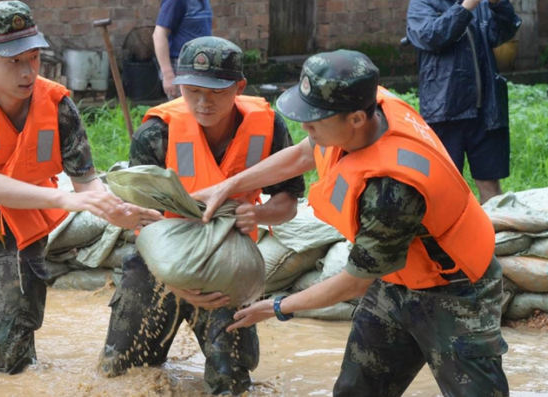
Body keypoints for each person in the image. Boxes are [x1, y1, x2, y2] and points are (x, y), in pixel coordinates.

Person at [193, 50, 509, 397]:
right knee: (355, 391)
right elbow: (303, 153)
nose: (305, 126)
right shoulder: (366, 108)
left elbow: (352, 285)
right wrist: (227, 186)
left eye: (314, 119)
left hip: (455, 290)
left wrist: (277, 306)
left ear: (357, 118)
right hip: (395, 279)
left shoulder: (392, 192)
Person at [0, 1, 162, 375]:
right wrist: (69, 200)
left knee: (16, 362)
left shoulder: (59, 108)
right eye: (13, 61)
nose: (28, 72)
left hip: (20, 231)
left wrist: (114, 209)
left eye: (34, 58)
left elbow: (88, 183)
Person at [100, 36, 305, 395]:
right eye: (192, 90)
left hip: (229, 268)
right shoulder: (156, 132)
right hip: (158, 262)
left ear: (239, 87)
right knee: (122, 376)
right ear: (178, 86)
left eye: (216, 92)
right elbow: (140, 217)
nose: (203, 102)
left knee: (231, 384)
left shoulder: (269, 127)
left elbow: (288, 203)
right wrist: (173, 279)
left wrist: (258, 214)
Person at [406, 0, 521, 204]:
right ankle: (454, 235)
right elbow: (430, 37)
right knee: (445, 189)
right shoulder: (422, 3)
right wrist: (466, 8)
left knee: (491, 186)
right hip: (445, 113)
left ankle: (495, 235)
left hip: (486, 110)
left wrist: (499, 5)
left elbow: (503, 32)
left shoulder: (482, 4)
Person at [153, 0, 212, 100]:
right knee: (182, 111)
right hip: (181, 68)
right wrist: (167, 74)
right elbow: (159, 35)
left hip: (202, 66)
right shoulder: (175, 2)